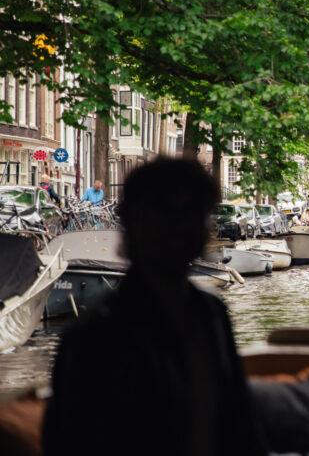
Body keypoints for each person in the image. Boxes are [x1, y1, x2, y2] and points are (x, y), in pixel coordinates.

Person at [43, 158, 267, 456]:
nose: (177, 230)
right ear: (134, 224)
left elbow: (237, 422)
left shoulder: (211, 314)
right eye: (166, 216)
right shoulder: (94, 338)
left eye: (190, 215)